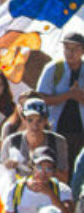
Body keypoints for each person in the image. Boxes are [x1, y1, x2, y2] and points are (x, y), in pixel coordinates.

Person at [1, 147, 74, 213]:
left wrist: (51, 194)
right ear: (32, 167)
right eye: (39, 167)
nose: (43, 173)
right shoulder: (16, 189)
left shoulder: (62, 190)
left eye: (48, 169)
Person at [36, 29, 84, 166]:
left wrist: (79, 96)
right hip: (55, 130)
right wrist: (68, 95)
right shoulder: (53, 68)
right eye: (67, 48)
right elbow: (41, 99)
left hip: (80, 133)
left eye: (75, 49)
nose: (70, 53)